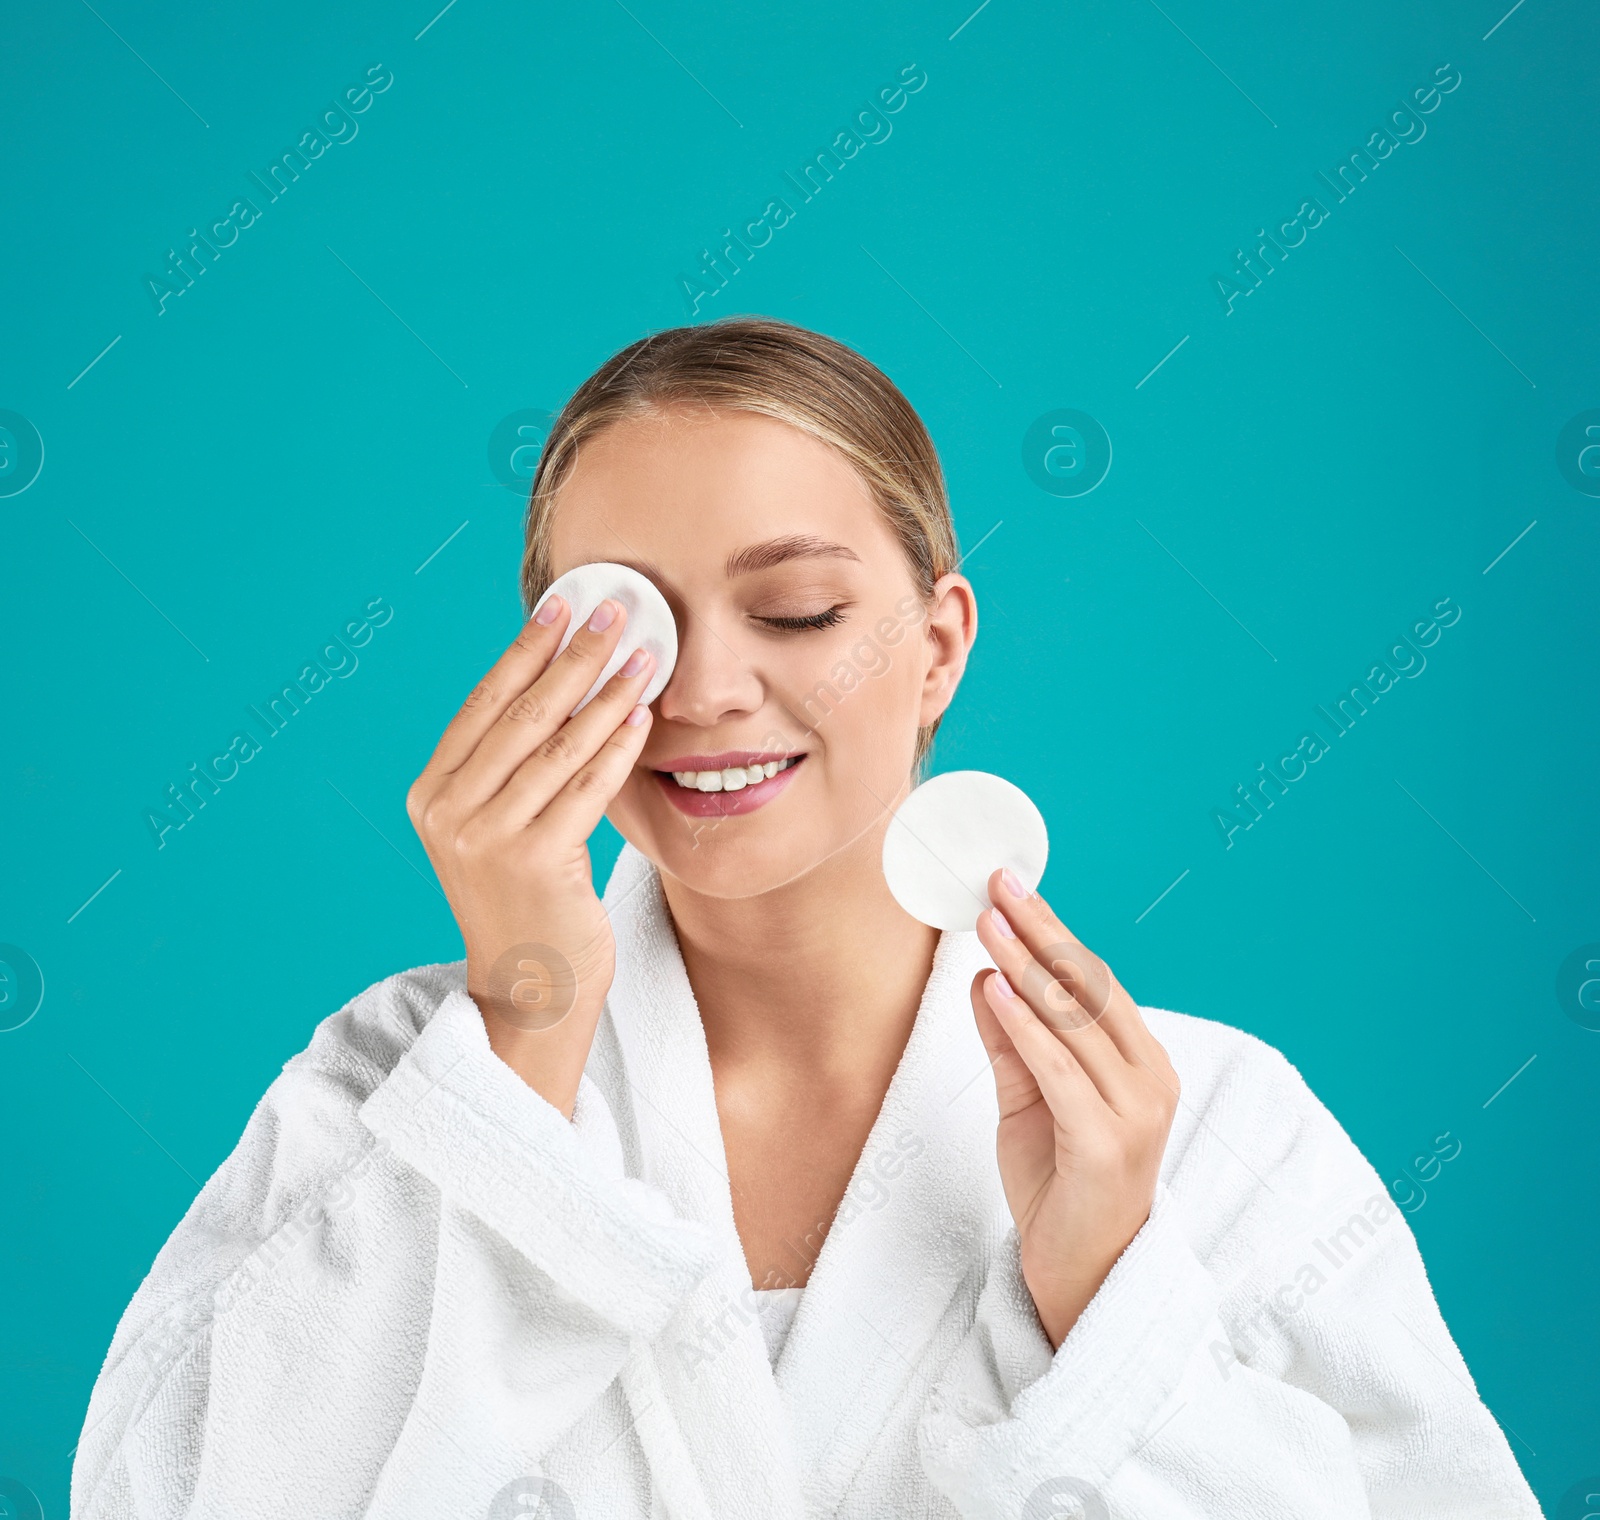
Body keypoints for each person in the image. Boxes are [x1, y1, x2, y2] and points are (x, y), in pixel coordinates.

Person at [72, 318, 1540, 1519]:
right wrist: (517, 1052)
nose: (705, 691)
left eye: (797, 615)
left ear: (937, 647)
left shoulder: (1218, 1134)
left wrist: (1104, 1304)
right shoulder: (403, 1087)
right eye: (624, 625)